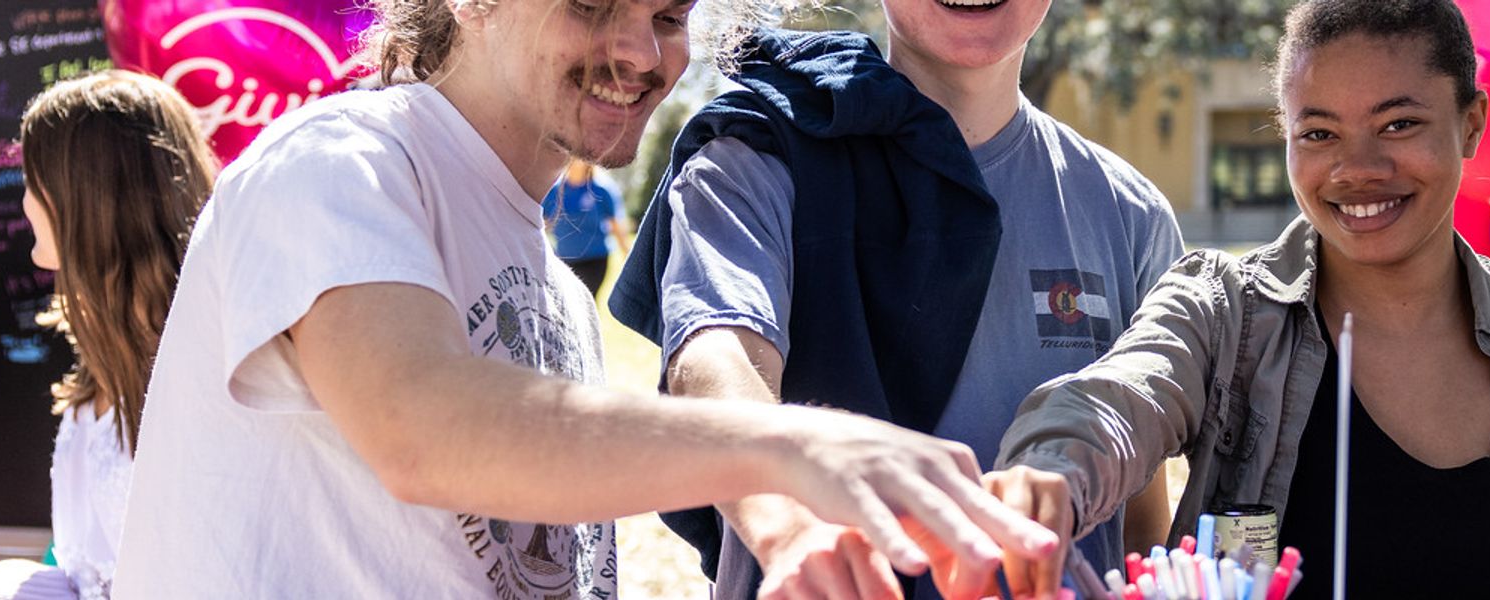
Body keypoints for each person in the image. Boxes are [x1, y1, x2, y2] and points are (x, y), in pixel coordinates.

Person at [113, 0, 1057, 597]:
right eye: (593, 4)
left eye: (670, 15)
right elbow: (421, 428)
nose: (639, 52)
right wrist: (799, 444)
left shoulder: (561, 294)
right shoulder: (341, 164)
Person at [980, 0, 1490, 598]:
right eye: (1319, 134)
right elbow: (1120, 397)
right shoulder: (1223, 312)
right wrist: (1049, 473)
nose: (1358, 168)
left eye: (1399, 124)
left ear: (1471, 124)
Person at [609, 0, 1185, 595]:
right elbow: (714, 358)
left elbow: (1141, 520)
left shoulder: (1131, 216)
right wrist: (788, 530)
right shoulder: (757, 152)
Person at [0, 70, 216, 600]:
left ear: (86, 195)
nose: (25, 200)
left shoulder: (205, 366)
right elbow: (88, 554)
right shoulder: (104, 348)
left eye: (35, 179)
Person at [546, 159, 632, 296]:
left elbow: (617, 227)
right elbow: (540, 225)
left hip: (595, 260)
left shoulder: (601, 190)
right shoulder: (554, 191)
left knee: (584, 302)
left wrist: (629, 260)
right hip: (564, 260)